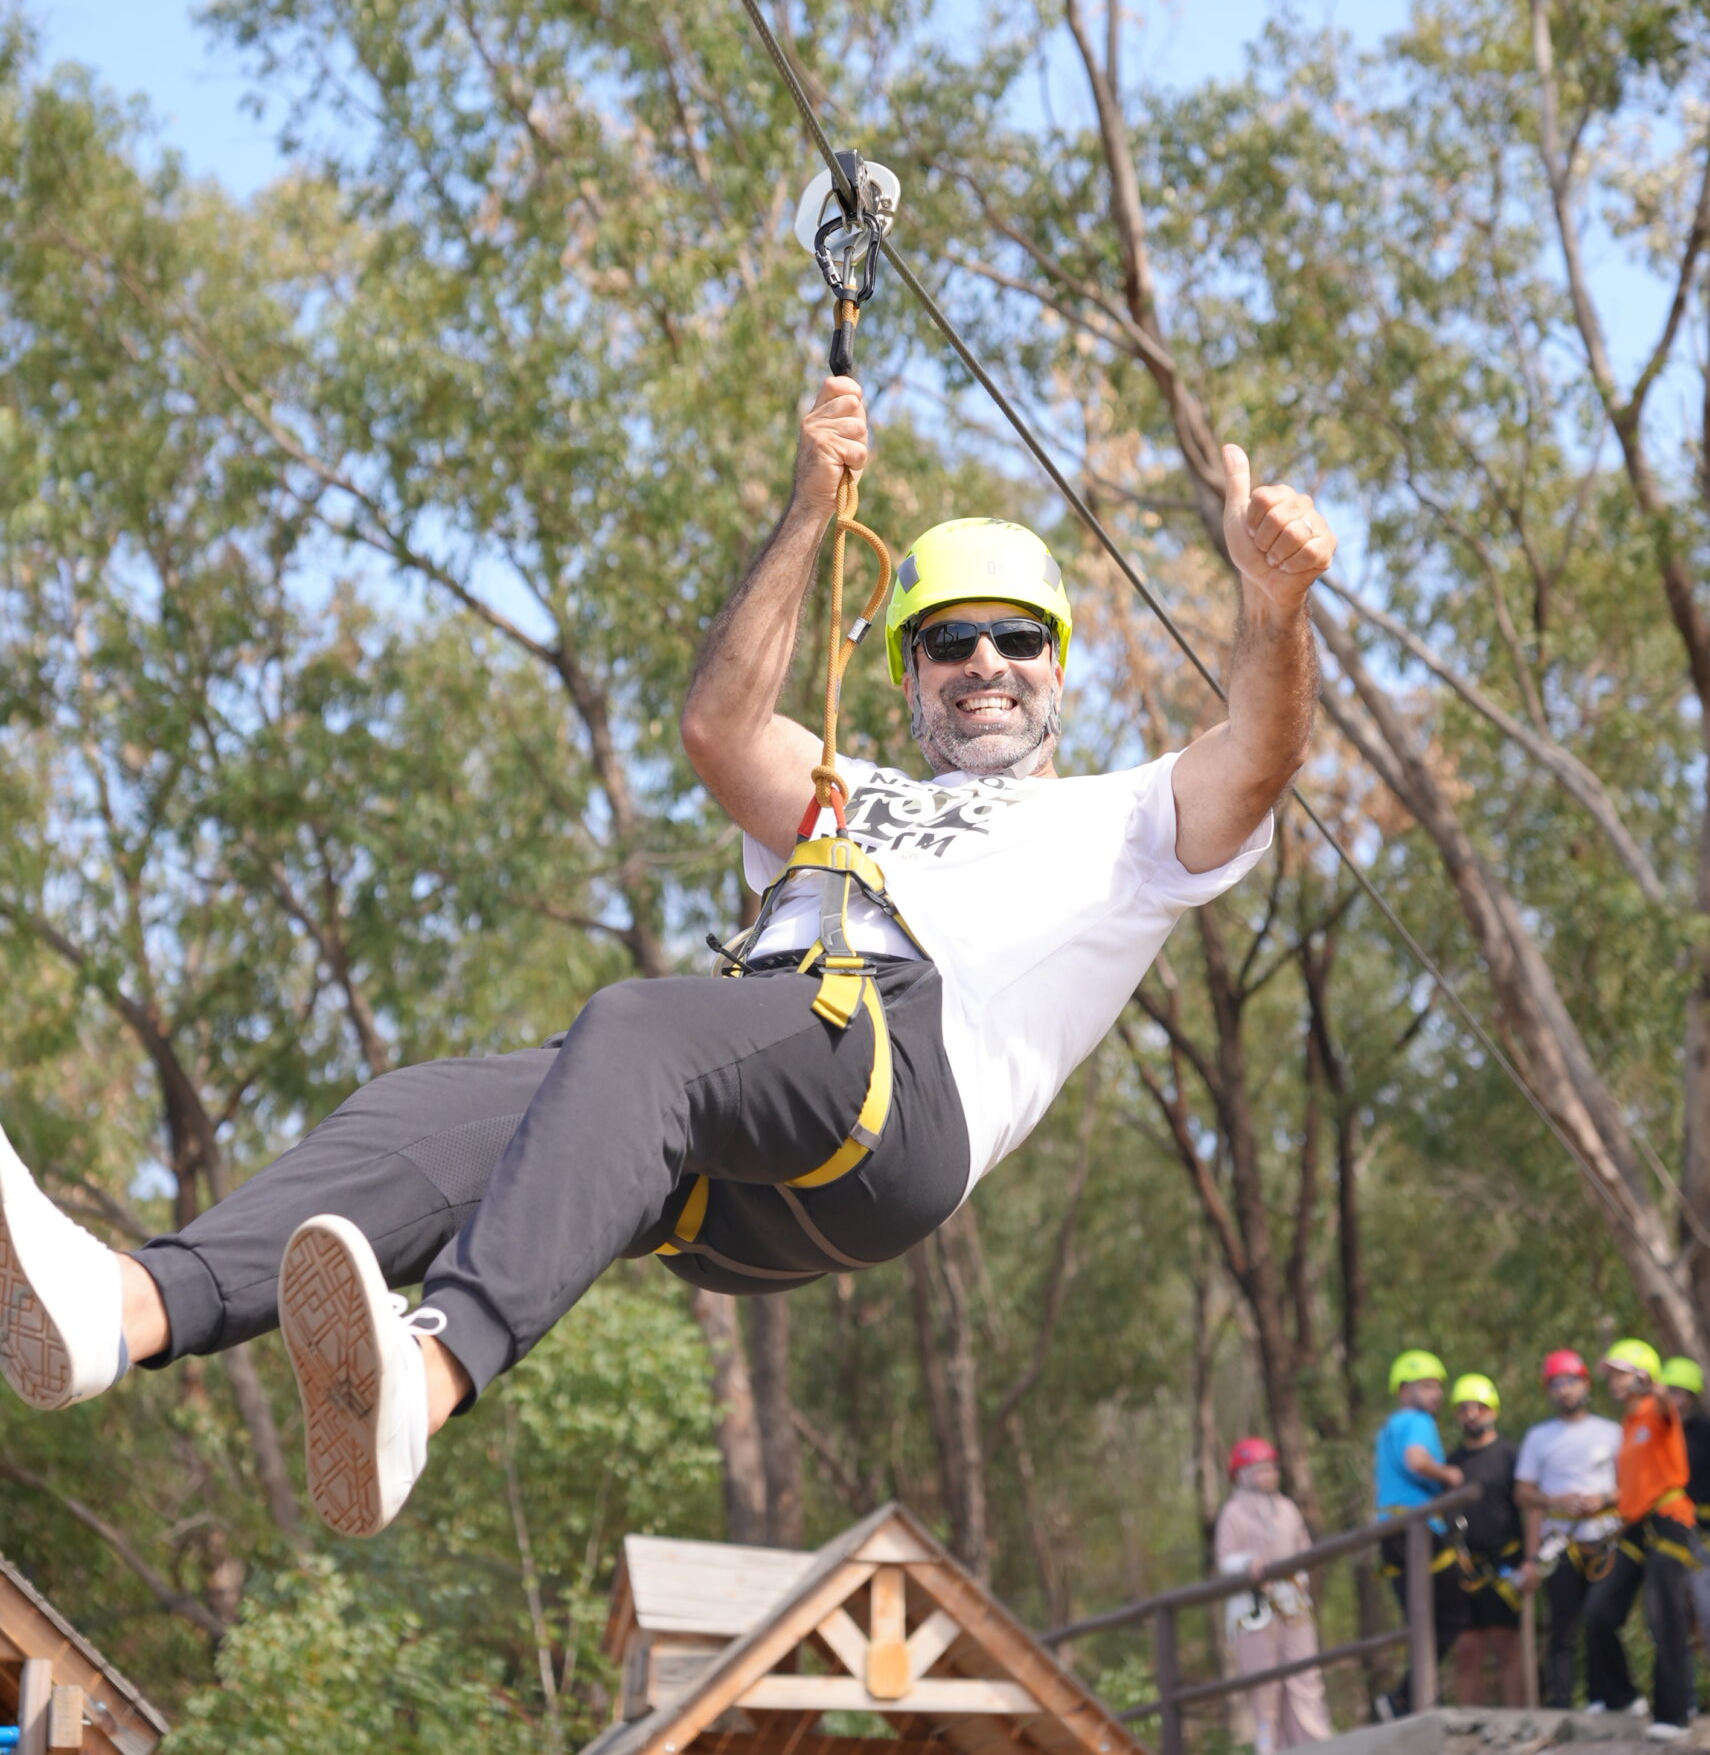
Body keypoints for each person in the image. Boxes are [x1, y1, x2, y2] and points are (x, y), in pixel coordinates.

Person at [0, 377, 1336, 1539]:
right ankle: (128, 1308)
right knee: (441, 1108)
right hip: (738, 1154)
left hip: (907, 1095)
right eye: (949, 641)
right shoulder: (847, 789)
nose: (985, 664)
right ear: (909, 674)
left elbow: (1261, 752)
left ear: (1058, 665)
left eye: (1017, 639)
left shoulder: (1125, 821)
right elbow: (718, 726)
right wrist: (809, 510)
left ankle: (434, 1372)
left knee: (644, 1025)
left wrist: (1272, 605)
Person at [1583, 1339, 1694, 1741]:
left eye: (1621, 1373)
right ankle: (1621, 1697)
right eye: (1611, 1375)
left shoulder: (1657, 1411)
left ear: (1642, 1375)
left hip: (1667, 1518)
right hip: (1633, 1525)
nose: (1613, 1381)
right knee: (1599, 1610)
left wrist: (1655, 1387)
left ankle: (1674, 1715)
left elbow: (1665, 1405)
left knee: (1664, 1615)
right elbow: (1635, 1485)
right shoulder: (1628, 1426)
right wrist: (1605, 1500)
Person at [1514, 1347, 1623, 1709]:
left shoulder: (1611, 1432)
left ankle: (1601, 1697)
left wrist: (1603, 1498)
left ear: (1585, 1385)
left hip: (1605, 1538)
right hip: (1560, 1540)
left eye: (1570, 1382)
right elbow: (1523, 1492)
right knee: (1562, 1625)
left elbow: (1631, 1486)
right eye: (1556, 1384)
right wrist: (1555, 1501)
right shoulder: (1539, 1437)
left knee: (1600, 1617)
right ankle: (1560, 1703)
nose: (1564, 1390)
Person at [1215, 1437, 1333, 1753]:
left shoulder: (1287, 1508)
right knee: (1265, 1684)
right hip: (1253, 1610)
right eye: (1260, 1469)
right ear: (1242, 1475)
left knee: (1304, 1675)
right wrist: (1247, 1563)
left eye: (1271, 1468)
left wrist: (1300, 1577)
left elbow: (1303, 1550)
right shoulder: (1233, 1513)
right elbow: (1225, 1559)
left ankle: (1314, 1741)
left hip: (1293, 1604)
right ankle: (1271, 1747)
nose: (1268, 1475)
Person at [1375, 1349, 1465, 1716]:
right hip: (1417, 1530)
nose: (1436, 1394)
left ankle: (1411, 1701)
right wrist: (1449, 1474)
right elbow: (1416, 1460)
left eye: (1437, 1387)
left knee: (1422, 1619)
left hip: (1392, 1532)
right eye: (1426, 1386)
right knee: (1452, 1615)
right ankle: (1409, 1698)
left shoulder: (1390, 1427)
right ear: (1404, 1391)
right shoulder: (1417, 1421)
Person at [1445, 1374, 1526, 1706]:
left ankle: (1521, 1718)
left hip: (1505, 1560)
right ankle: (1468, 1724)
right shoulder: (1451, 1464)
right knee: (1466, 1648)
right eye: (1464, 1408)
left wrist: (1530, 1559)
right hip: (1464, 1565)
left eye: (1479, 1407)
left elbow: (1526, 1506)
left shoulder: (1510, 1454)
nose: (1472, 1414)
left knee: (1506, 1643)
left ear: (1492, 1410)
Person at [1658, 1358, 1710, 1667]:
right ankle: (1683, 1690)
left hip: (1702, 1536)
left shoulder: (1704, 1433)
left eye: (1680, 1393)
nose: (1674, 1400)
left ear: (1691, 1396)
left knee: (1706, 1610)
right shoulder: (1658, 1434)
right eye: (1669, 1392)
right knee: (1670, 1617)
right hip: (1669, 1535)